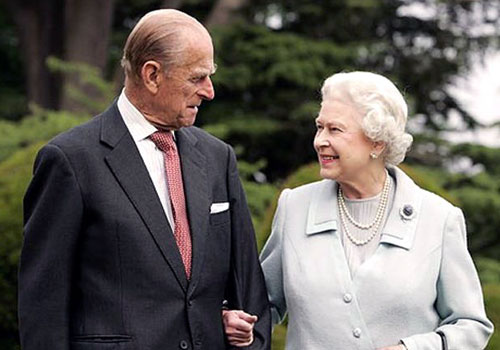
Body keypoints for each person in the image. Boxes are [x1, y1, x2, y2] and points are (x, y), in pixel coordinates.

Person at [19, 9, 270, 350]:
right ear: (152, 74)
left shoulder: (217, 158)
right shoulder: (70, 160)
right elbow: (43, 306)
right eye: (197, 78)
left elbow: (249, 291)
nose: (209, 92)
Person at [223, 71, 493, 349]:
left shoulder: (438, 218)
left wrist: (411, 349)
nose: (319, 141)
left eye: (335, 129)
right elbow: (259, 305)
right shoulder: (295, 207)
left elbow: (471, 325)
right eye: (319, 127)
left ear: (377, 142)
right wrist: (238, 322)